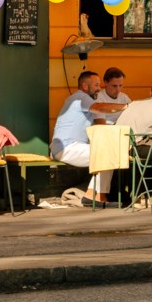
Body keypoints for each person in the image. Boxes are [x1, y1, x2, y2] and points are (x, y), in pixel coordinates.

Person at [51, 70, 107, 207]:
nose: (99, 88)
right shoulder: (81, 98)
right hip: (67, 147)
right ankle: (94, 196)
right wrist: (124, 107)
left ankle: (95, 195)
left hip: (67, 147)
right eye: (96, 85)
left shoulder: (87, 101)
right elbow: (100, 108)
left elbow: (101, 124)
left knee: (106, 153)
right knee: (105, 155)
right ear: (85, 86)